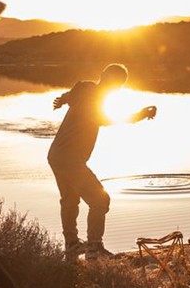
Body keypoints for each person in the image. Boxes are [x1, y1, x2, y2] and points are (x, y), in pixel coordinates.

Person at [49, 63, 156, 258]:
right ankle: (94, 248)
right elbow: (112, 119)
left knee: (70, 200)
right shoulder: (95, 99)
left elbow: (71, 95)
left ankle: (72, 244)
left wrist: (62, 100)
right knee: (100, 200)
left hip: (56, 155)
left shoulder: (85, 89)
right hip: (70, 158)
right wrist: (142, 114)